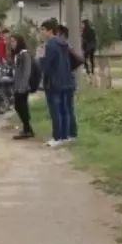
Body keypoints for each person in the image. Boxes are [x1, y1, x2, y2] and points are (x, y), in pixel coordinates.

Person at [40, 18, 75, 147]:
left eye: (43, 30)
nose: (42, 33)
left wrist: (41, 62)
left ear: (50, 31)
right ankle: (66, 135)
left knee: (55, 110)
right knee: (65, 109)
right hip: (66, 80)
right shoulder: (64, 43)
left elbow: (47, 66)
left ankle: (57, 137)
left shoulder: (50, 45)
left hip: (54, 82)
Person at [10, 33, 35, 139]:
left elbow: (27, 71)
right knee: (20, 106)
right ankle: (27, 129)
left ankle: (28, 129)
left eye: (14, 41)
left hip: (23, 87)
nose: (12, 44)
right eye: (11, 42)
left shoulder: (25, 54)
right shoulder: (17, 54)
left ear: (19, 42)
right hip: (17, 85)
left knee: (21, 106)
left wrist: (23, 86)